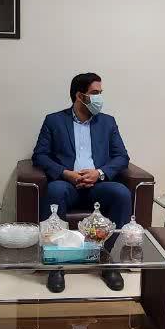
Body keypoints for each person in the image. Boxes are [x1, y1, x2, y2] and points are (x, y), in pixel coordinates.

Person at [32, 72, 132, 293]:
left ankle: (108, 262)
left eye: (101, 93)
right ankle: (56, 265)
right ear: (80, 96)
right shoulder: (54, 121)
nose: (100, 98)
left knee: (122, 193)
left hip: (99, 185)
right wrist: (65, 173)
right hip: (68, 184)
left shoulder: (107, 122)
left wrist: (99, 173)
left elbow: (122, 157)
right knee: (55, 191)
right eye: (95, 93)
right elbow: (39, 155)